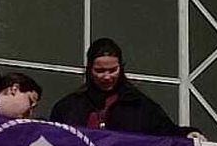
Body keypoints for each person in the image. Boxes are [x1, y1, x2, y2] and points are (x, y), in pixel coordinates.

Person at [47, 38, 189, 136]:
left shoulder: (140, 106)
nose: (107, 77)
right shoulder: (69, 107)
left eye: (113, 70)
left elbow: (167, 133)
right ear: (89, 69)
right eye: (100, 71)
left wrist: (188, 133)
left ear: (121, 68)